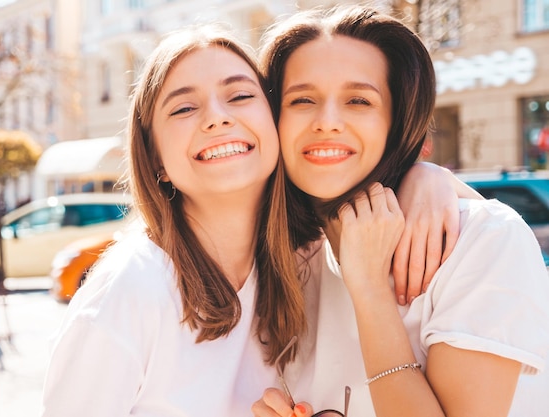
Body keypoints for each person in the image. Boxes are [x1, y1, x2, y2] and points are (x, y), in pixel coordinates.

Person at [40, 22, 473, 417]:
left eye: (241, 95)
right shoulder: (131, 290)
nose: (217, 117)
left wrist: (424, 176)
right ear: (155, 157)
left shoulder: (304, 259)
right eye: (183, 108)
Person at [253, 5, 549, 417]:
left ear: (396, 121)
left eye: (359, 100)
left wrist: (371, 290)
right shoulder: (282, 259)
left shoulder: (483, 240)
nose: (328, 122)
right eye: (302, 100)